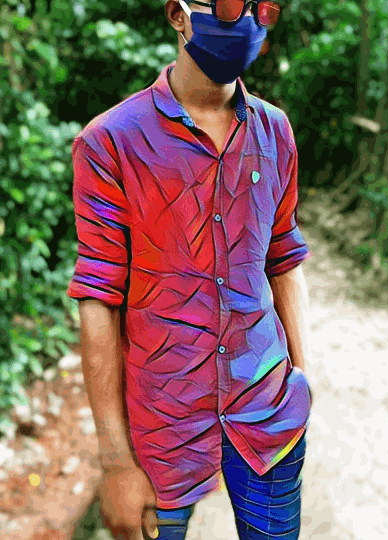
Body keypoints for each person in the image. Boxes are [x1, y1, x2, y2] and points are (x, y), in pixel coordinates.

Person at [66, 0, 314, 538]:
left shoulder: (274, 132)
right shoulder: (110, 142)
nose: (245, 20)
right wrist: (115, 460)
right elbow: (98, 297)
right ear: (177, 14)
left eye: (261, 7)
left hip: (269, 417)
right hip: (161, 429)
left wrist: (302, 378)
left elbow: (284, 256)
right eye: (226, 4)